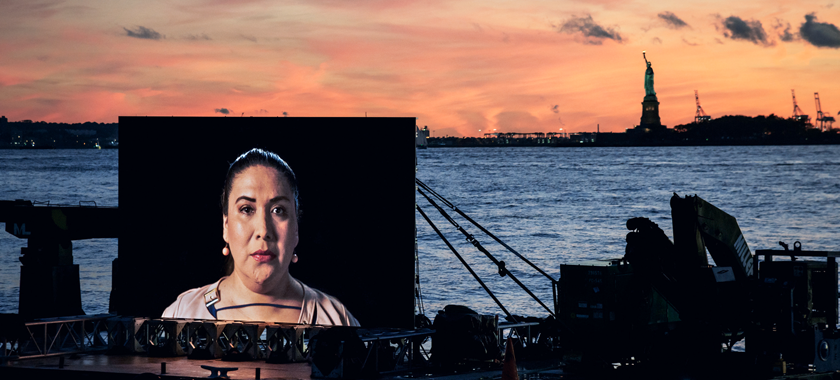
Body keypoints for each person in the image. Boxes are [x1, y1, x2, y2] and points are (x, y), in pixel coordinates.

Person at [162, 148, 359, 326]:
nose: (263, 230)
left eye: (278, 210)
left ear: (296, 228)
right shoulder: (180, 316)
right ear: (226, 225)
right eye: (246, 209)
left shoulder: (337, 320)